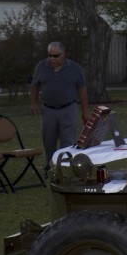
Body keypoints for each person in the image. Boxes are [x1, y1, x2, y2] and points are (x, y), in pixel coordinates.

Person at [30, 42, 89, 174]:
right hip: (48, 110)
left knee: (67, 140)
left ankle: (64, 169)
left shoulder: (75, 68)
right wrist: (33, 103)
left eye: (55, 56)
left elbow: (82, 90)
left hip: (68, 108)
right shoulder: (41, 66)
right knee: (49, 140)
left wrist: (85, 111)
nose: (52, 58)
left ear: (64, 55)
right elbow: (35, 86)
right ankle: (49, 167)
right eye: (49, 55)